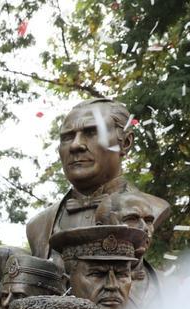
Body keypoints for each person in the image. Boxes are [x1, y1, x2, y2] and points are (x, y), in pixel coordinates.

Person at [25, 98, 170, 259]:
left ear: (126, 143)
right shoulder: (38, 226)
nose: (75, 145)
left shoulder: (153, 207)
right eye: (67, 137)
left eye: (91, 133)